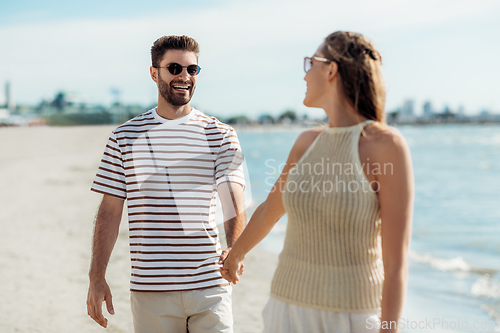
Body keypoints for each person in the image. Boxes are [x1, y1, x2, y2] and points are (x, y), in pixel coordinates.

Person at [221, 31, 414, 333]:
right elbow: (271, 209)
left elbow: (396, 263)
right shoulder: (306, 142)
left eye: (310, 63)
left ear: (331, 70)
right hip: (285, 308)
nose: (304, 75)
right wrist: (235, 255)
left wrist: (388, 329)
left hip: (353, 316)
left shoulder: (386, 146)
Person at [86, 35, 246, 333]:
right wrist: (97, 277)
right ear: (154, 72)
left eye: (192, 69)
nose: (184, 76)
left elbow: (232, 198)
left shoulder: (220, 134)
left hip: (210, 286)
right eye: (174, 68)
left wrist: (235, 248)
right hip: (151, 291)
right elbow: (110, 210)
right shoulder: (124, 137)